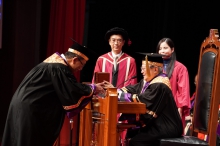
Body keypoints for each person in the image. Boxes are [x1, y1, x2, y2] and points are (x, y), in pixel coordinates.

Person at [1, 41, 105, 146]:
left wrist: (91, 87)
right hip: (31, 108)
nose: (81, 69)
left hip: (23, 105)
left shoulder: (50, 64)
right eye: (82, 64)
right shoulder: (59, 68)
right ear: (74, 60)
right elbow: (72, 90)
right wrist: (94, 88)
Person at [102, 53, 183, 146]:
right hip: (155, 123)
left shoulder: (160, 84)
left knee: (136, 141)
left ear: (155, 69)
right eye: (142, 68)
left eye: (144, 68)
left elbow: (142, 100)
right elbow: (131, 89)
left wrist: (117, 94)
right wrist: (113, 90)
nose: (142, 71)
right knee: (130, 134)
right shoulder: (148, 81)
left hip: (166, 126)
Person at [156, 38, 191, 129]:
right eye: (160, 49)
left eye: (165, 48)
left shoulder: (180, 68)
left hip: (173, 107)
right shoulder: (155, 66)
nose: (162, 51)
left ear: (172, 49)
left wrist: (179, 109)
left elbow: (183, 91)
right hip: (156, 106)